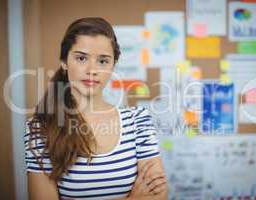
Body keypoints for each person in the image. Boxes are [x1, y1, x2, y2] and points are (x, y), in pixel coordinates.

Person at [24, 17, 168, 200]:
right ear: (64, 61)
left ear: (113, 65)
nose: (92, 70)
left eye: (103, 61)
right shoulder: (40, 128)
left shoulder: (138, 120)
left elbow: (158, 195)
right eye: (81, 58)